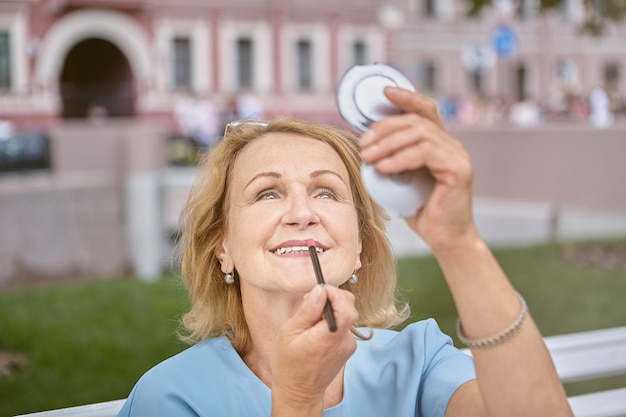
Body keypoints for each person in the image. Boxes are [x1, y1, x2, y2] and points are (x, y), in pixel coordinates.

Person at [118, 87, 573, 417]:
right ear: (223, 249)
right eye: (268, 194)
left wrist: (459, 241)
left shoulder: (418, 362)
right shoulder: (173, 397)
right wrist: (298, 399)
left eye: (327, 193)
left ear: (360, 247)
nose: (301, 213)